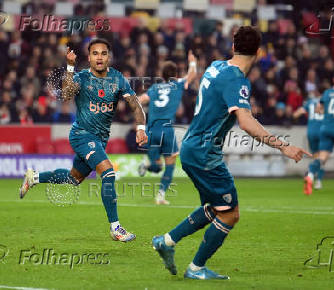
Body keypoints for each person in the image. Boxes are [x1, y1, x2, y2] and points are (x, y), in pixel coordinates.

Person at [152, 26, 311, 280]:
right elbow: (246, 123)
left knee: (214, 207)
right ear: (259, 52)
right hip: (205, 153)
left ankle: (167, 241)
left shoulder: (215, 66)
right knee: (230, 213)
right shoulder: (237, 80)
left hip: (193, 147)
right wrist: (284, 146)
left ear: (233, 47)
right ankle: (195, 268)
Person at [19, 38, 148, 242]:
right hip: (81, 135)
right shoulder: (81, 77)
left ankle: (33, 178)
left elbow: (135, 105)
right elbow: (68, 94)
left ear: (108, 57)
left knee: (73, 179)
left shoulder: (118, 78)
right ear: (88, 58)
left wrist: (141, 128)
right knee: (108, 171)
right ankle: (116, 228)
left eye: (103, 53)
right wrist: (70, 66)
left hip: (99, 140)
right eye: (95, 53)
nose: (99, 57)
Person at [137, 51, 197, 205]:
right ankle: (161, 195)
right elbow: (192, 75)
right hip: (167, 130)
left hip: (152, 129)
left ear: (162, 75)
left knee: (157, 167)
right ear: (175, 75)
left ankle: (147, 164)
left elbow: (140, 101)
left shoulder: (155, 88)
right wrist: (192, 62)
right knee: (169, 165)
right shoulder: (177, 85)